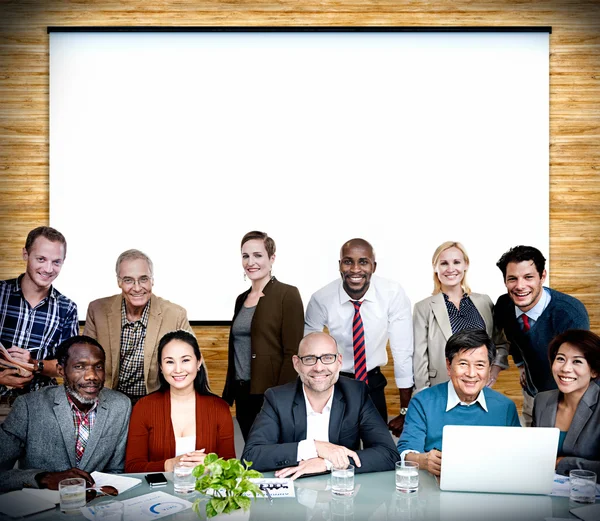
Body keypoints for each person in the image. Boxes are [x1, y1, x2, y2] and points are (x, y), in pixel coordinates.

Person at [242, 332, 399, 479]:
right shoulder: (277, 398)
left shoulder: (356, 394)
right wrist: (315, 447)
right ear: (296, 364)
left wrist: (327, 463)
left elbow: (388, 454)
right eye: (309, 359)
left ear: (339, 362)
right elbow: (251, 457)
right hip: (295, 492)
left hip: (342, 494)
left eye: (328, 358)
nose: (318, 367)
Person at [304, 238, 413, 436]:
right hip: (336, 385)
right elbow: (309, 353)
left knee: (380, 451)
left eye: (363, 262)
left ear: (374, 266)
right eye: (348, 261)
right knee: (339, 453)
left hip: (373, 382)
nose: (355, 269)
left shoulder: (392, 293)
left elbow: (402, 351)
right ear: (339, 266)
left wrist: (405, 411)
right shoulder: (321, 298)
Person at [0, 335, 131, 492]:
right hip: (40, 508)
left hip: (97, 508)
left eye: (98, 367)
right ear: (61, 370)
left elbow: (116, 472)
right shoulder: (28, 406)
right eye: (79, 367)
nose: (92, 376)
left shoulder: (120, 405)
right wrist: (44, 478)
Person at [397, 329, 520, 477]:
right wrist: (423, 460)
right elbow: (406, 452)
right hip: (435, 485)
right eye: (463, 364)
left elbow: (517, 457)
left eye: (480, 365)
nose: (471, 373)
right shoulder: (422, 402)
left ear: (489, 368)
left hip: (490, 485)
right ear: (449, 366)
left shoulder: (505, 407)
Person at [222, 231, 304, 441]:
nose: (251, 262)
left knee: (271, 452)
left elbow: (293, 352)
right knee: (252, 452)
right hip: (242, 393)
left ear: (272, 258)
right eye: (245, 256)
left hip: (270, 395)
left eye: (258, 255)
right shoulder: (241, 299)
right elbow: (236, 348)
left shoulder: (288, 294)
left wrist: (281, 396)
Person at [494, 245, 589, 425]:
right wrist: (521, 365)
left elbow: (577, 365)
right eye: (512, 279)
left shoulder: (569, 314)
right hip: (532, 392)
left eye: (528, 277)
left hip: (565, 397)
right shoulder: (504, 305)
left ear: (542, 276)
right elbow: (512, 338)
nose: (520, 286)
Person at [83, 249, 193, 404]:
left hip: (156, 400)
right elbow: (85, 361)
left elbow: (192, 364)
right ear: (119, 282)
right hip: (108, 399)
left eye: (143, 279)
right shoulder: (97, 309)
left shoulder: (175, 315)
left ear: (152, 280)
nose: (137, 288)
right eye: (128, 280)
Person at [125, 330, 235, 473]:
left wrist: (212, 465)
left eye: (185, 360)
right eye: (170, 362)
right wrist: (170, 465)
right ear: (160, 367)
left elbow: (232, 468)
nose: (178, 369)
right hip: (158, 494)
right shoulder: (144, 407)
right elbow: (132, 468)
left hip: (205, 493)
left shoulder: (219, 408)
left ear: (198, 362)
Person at [0, 226, 78, 422]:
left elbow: (66, 366)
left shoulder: (67, 308)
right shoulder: (0, 294)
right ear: (25, 254)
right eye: (41, 259)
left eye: (56, 262)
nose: (48, 269)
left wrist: (34, 364)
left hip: (40, 409)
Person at [413, 241, 509, 392]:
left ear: (466, 265)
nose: (451, 269)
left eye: (456, 262)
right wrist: (423, 393)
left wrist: (493, 371)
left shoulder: (484, 302)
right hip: (441, 387)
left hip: (479, 387)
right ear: (435, 267)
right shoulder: (423, 308)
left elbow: (500, 344)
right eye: (444, 263)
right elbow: (419, 357)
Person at [533, 329, 600, 475]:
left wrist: (561, 463)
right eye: (560, 359)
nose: (565, 369)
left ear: (594, 371)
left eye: (577, 361)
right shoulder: (541, 400)